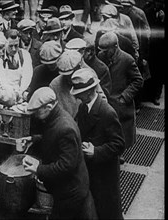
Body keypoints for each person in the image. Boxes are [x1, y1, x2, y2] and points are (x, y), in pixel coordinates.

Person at [22, 87, 98, 219]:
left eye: (37, 111)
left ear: (49, 106)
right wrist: (34, 140)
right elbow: (53, 137)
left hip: (71, 192)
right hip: (71, 189)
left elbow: (66, 165)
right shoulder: (56, 118)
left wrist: (38, 169)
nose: (35, 115)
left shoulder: (65, 128)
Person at [71, 68, 125, 219]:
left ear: (89, 92)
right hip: (90, 169)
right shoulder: (83, 107)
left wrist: (96, 151)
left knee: (107, 210)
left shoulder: (107, 112)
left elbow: (119, 144)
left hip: (104, 173)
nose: (77, 97)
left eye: (79, 93)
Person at [98, 31, 143, 151]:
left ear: (115, 46)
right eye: (101, 50)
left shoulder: (127, 60)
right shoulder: (101, 57)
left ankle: (119, 154)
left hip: (120, 104)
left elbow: (138, 80)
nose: (103, 52)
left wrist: (124, 97)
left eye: (106, 50)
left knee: (121, 134)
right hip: (105, 101)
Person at [0, 29, 33, 99]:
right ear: (5, 44)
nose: (14, 49)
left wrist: (20, 92)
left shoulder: (25, 55)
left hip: (21, 93)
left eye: (16, 45)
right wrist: (13, 94)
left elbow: (27, 77)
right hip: (6, 94)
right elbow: (2, 80)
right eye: (10, 46)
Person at [49, 50, 83, 118]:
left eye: (71, 74)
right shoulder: (55, 85)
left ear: (78, 68)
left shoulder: (89, 77)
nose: (68, 78)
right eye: (65, 75)